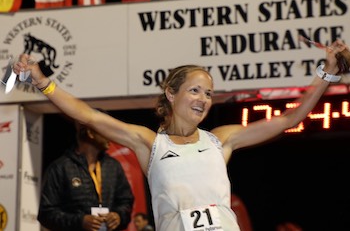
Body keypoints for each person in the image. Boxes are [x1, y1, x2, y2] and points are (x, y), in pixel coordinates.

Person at [14, 39, 348, 231]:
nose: (204, 99)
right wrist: (42, 81)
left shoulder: (221, 140)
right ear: (172, 94)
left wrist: (326, 72)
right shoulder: (149, 143)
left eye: (208, 93)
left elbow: (291, 117)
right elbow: (86, 114)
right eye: (195, 91)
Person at [37, 116, 135, 231]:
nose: (110, 135)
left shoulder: (113, 166)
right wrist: (80, 221)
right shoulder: (60, 167)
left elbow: (126, 203)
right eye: (106, 130)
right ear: (90, 133)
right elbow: (45, 213)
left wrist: (118, 216)